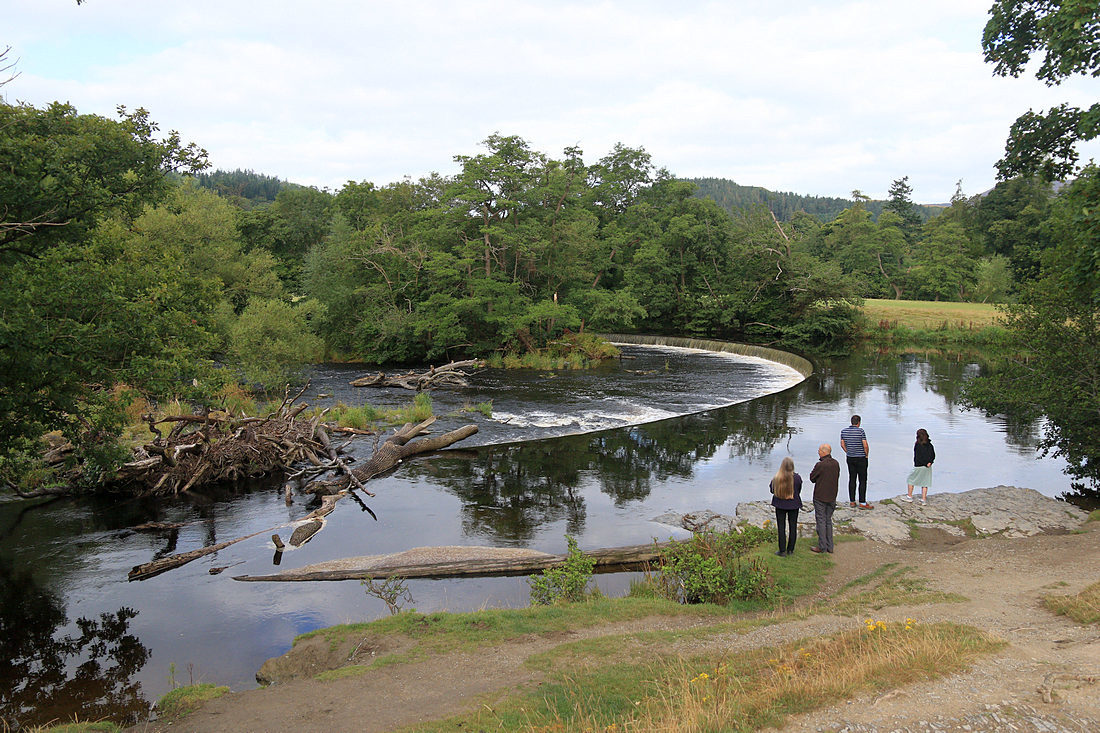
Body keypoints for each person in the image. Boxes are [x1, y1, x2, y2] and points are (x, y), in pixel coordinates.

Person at [808, 443, 840, 553]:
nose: (818, 452)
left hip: (820, 496)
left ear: (824, 452)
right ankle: (829, 546)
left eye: (819, 450)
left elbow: (812, 478)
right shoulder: (836, 463)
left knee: (821, 521)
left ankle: (822, 547)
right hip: (832, 496)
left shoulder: (820, 465)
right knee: (828, 521)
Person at [769, 456, 803, 557]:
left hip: (780, 505)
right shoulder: (797, 478)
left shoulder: (777, 478)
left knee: (781, 527)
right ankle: (791, 550)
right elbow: (799, 489)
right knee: (793, 526)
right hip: (793, 505)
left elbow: (772, 490)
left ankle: (782, 550)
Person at [840, 414, 871, 509]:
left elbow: (842, 444)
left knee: (852, 478)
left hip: (850, 457)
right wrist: (866, 455)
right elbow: (865, 445)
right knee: (862, 480)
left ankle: (852, 501)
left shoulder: (844, 431)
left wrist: (848, 451)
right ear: (859, 422)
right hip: (861, 458)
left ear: (851, 422)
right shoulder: (861, 431)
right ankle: (862, 502)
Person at [901, 428, 935, 505]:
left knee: (910, 479)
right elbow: (933, 455)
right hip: (928, 467)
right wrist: (930, 462)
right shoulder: (930, 445)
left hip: (919, 465)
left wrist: (922, 463)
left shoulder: (918, 445)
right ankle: (923, 500)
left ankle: (909, 497)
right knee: (925, 483)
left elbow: (918, 457)